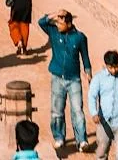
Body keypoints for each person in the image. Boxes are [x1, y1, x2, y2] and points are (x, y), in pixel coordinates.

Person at [38, 10, 92, 154]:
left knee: (77, 111)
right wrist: (55, 14)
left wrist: (88, 72)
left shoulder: (79, 37)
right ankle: (59, 137)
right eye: (57, 22)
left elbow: (85, 56)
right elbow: (41, 22)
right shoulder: (54, 32)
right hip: (57, 78)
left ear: (69, 24)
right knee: (57, 111)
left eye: (61, 23)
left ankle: (81, 140)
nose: (58, 25)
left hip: (74, 79)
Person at [88, 50, 118, 160]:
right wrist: (94, 113)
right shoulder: (98, 79)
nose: (114, 70)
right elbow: (92, 96)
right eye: (111, 67)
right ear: (106, 65)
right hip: (104, 123)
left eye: (116, 67)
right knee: (101, 153)